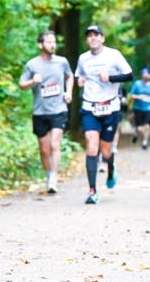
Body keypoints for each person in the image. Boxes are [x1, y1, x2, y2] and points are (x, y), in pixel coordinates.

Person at [75, 24, 133, 204]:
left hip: (110, 107)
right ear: (87, 40)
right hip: (90, 107)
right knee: (92, 146)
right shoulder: (83, 59)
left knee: (106, 150)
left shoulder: (113, 55)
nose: (93, 38)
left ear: (102, 38)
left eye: (96, 35)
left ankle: (111, 169)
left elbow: (129, 75)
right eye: (89, 36)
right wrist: (80, 81)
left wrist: (111, 78)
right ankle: (92, 191)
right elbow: (79, 77)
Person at [19, 30, 73, 193]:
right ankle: (49, 173)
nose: (52, 45)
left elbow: (69, 76)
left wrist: (69, 92)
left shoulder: (62, 62)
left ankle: (53, 178)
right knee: (44, 149)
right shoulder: (32, 64)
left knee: (55, 144)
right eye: (49, 42)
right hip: (40, 111)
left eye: (54, 42)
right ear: (40, 44)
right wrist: (32, 82)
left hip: (59, 109)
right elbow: (21, 85)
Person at [128, 68, 150, 149]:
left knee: (148, 126)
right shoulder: (137, 84)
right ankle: (136, 132)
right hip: (138, 108)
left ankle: (145, 142)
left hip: (149, 108)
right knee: (139, 127)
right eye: (144, 74)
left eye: (147, 74)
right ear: (142, 75)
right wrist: (139, 97)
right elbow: (131, 95)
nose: (146, 75)